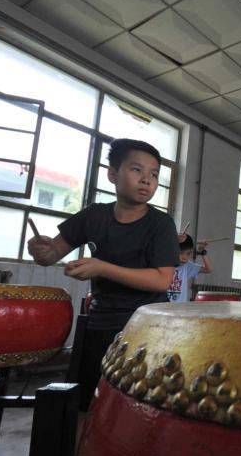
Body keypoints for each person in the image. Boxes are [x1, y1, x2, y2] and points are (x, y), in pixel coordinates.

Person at [27, 138, 178, 410]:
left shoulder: (160, 224)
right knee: (92, 401)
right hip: (101, 321)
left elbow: (161, 279)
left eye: (154, 175)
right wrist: (39, 249)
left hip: (148, 326)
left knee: (138, 406)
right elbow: (49, 256)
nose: (147, 180)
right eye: (137, 170)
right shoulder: (94, 216)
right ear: (112, 174)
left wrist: (101, 267)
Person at [168, 233, 213, 302]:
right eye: (181, 253)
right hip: (163, 308)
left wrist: (202, 253)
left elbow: (208, 269)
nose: (184, 258)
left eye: (188, 254)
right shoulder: (163, 263)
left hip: (180, 309)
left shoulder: (187, 266)